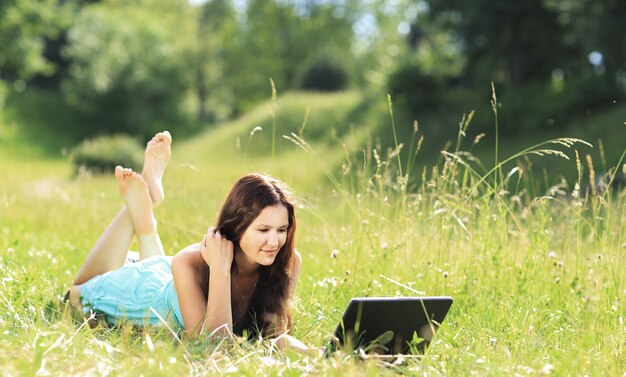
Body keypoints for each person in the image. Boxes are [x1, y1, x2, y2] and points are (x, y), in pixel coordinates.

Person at [67, 131, 316, 353]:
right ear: (238, 226)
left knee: (156, 273)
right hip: (142, 292)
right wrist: (220, 269)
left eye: (282, 229)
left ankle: (145, 217)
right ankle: (140, 208)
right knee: (76, 293)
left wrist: (305, 352)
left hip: (169, 280)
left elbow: (270, 338)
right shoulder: (192, 261)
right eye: (263, 230)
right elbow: (212, 349)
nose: (275, 241)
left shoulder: (287, 262)